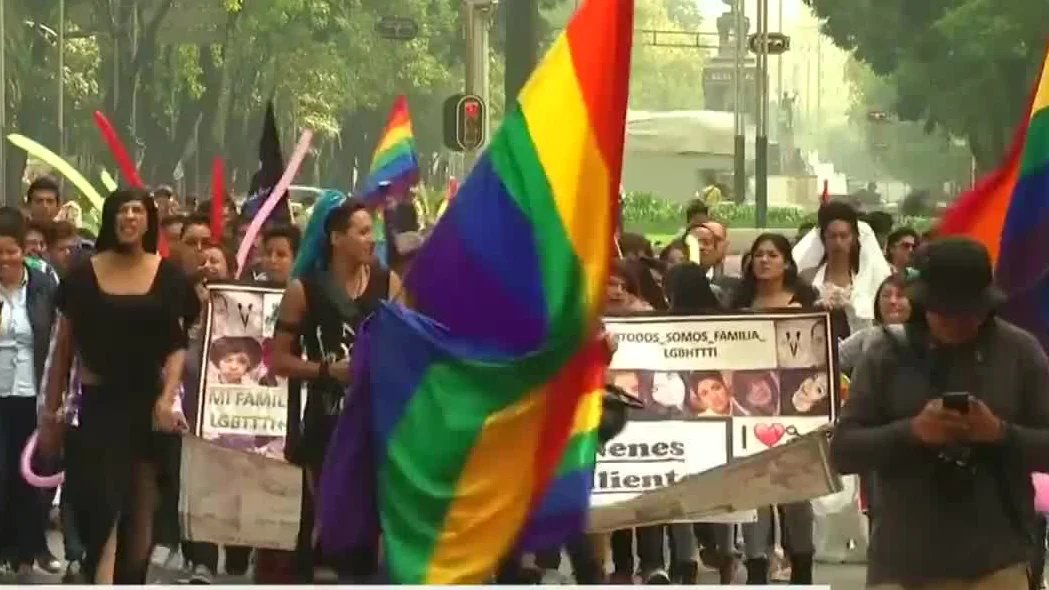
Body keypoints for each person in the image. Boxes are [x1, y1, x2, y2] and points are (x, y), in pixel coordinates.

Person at [831, 237, 1049, 589]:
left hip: (997, 561)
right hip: (904, 562)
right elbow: (843, 451)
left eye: (968, 313)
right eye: (944, 312)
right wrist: (912, 431)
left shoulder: (1020, 353)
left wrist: (1000, 433)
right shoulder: (886, 354)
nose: (956, 323)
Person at [38, 188, 199, 584]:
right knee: (102, 513)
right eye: (122, 211)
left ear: (148, 219)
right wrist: (52, 412)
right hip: (98, 407)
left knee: (141, 516)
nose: (129, 218)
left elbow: (177, 346)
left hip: (147, 406)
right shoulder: (82, 275)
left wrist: (166, 399)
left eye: (137, 211)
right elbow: (64, 349)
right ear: (111, 219)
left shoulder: (168, 276)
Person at [272, 196, 402, 582]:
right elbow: (278, 360)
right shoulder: (304, 290)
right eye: (362, 232)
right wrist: (330, 371)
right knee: (331, 527)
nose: (371, 240)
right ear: (335, 238)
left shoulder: (386, 282)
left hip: (378, 423)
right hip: (327, 424)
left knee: (373, 526)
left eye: (372, 232)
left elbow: (405, 344)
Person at [732, 232, 818, 584]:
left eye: (772, 254)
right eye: (758, 255)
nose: (764, 260)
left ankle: (802, 568)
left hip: (796, 408)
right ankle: (756, 568)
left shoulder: (807, 301)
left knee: (796, 490)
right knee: (755, 492)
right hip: (748, 408)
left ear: (786, 262)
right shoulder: (737, 303)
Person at [0, 212, 58, 580]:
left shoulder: (43, 287)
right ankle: (8, 547)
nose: (4, 259)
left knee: (30, 474)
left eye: (11, 251)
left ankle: (30, 547)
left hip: (31, 393)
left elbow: (57, 340)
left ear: (24, 251)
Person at [794, 201, 892, 334]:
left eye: (843, 236)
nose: (838, 242)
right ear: (823, 238)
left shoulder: (871, 279)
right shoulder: (807, 278)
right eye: (832, 236)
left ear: (854, 237)